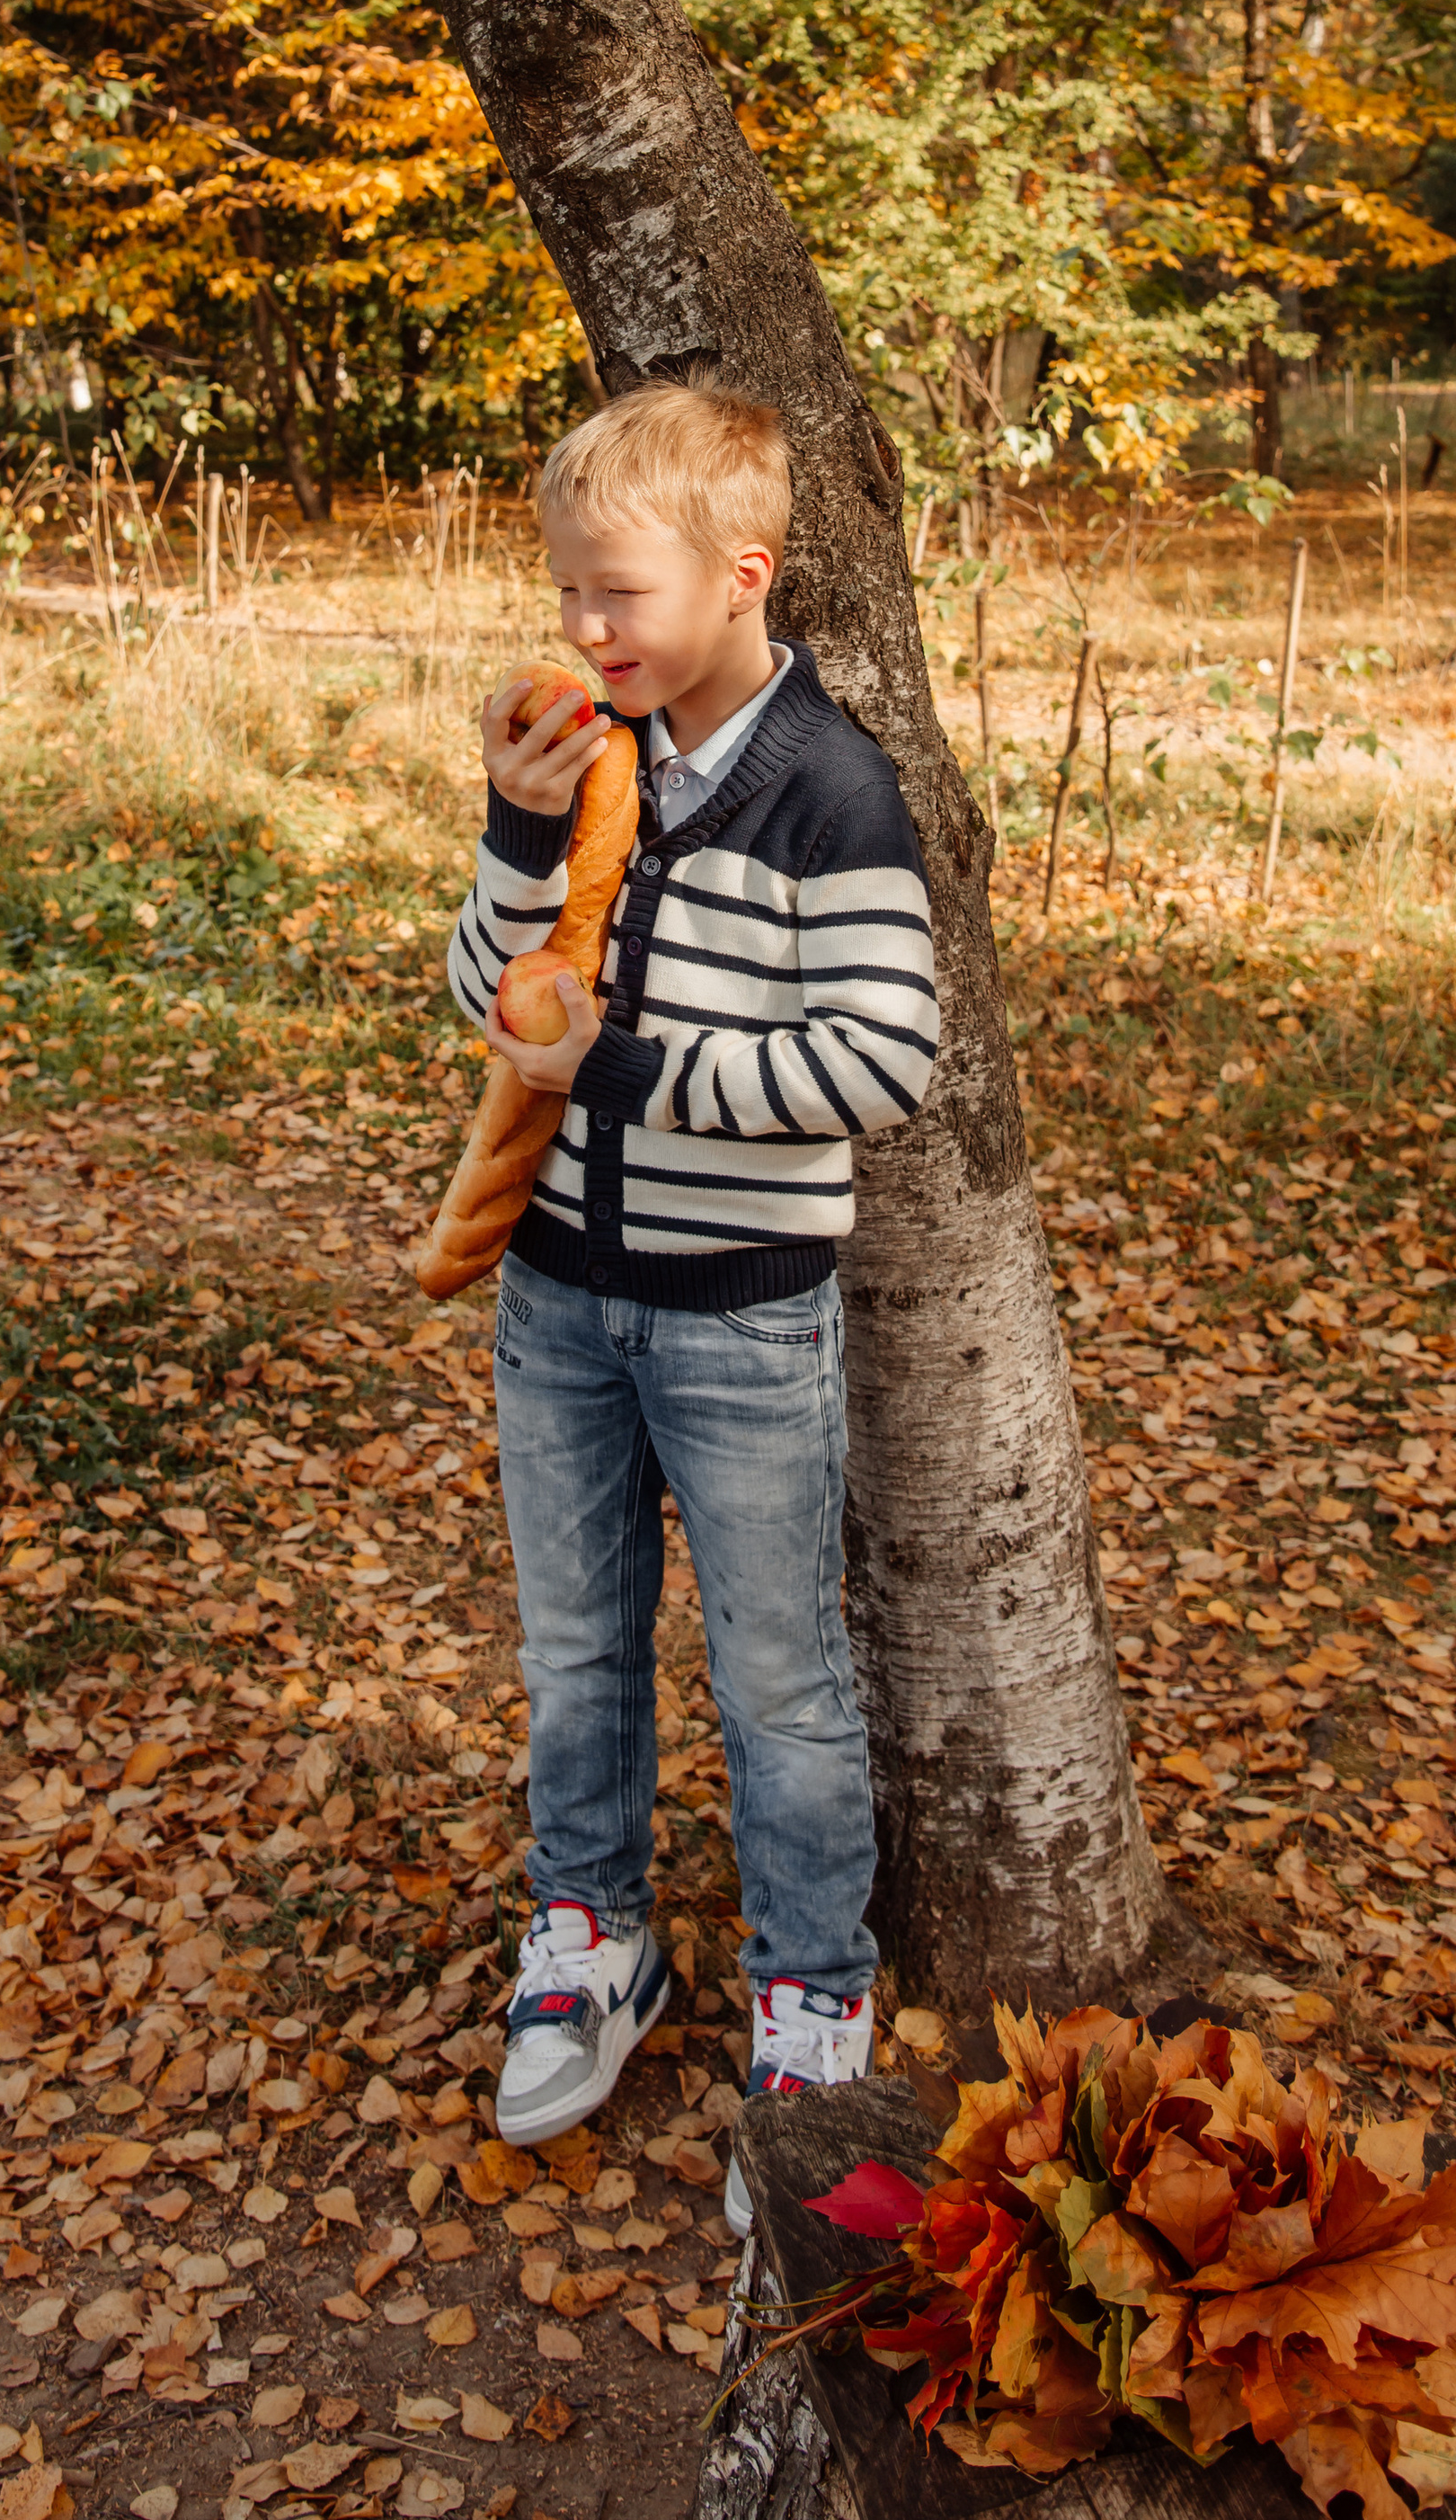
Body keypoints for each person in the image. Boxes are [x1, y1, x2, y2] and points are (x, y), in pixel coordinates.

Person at [446, 378, 939, 2237]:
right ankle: (590, 1934)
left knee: (780, 1683)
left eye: (619, 592)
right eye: (568, 589)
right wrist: (514, 842)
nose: (585, 627)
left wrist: (628, 1073)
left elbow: (882, 1058)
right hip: (558, 1302)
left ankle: (814, 2009)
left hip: (740, 1319)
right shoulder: (587, 762)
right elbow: (490, 1000)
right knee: (579, 1649)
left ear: (743, 575)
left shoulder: (829, 788)